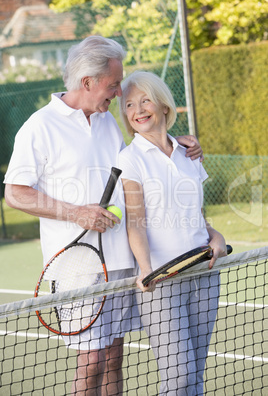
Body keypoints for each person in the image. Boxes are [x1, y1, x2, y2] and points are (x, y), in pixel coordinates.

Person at [4, 36, 203, 395]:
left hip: (122, 262)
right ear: (88, 82)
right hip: (77, 267)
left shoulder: (108, 121)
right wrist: (76, 213)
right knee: (91, 359)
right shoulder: (40, 125)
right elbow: (15, 193)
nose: (117, 92)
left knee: (113, 356)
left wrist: (177, 142)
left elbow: (141, 160)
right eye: (113, 85)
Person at [118, 70, 227, 395]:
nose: (137, 109)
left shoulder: (188, 154)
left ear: (164, 105)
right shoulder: (130, 159)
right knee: (178, 378)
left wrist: (216, 236)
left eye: (145, 100)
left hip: (204, 274)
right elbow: (135, 221)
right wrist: (147, 269)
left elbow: (195, 214)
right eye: (129, 104)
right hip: (160, 282)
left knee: (194, 376)